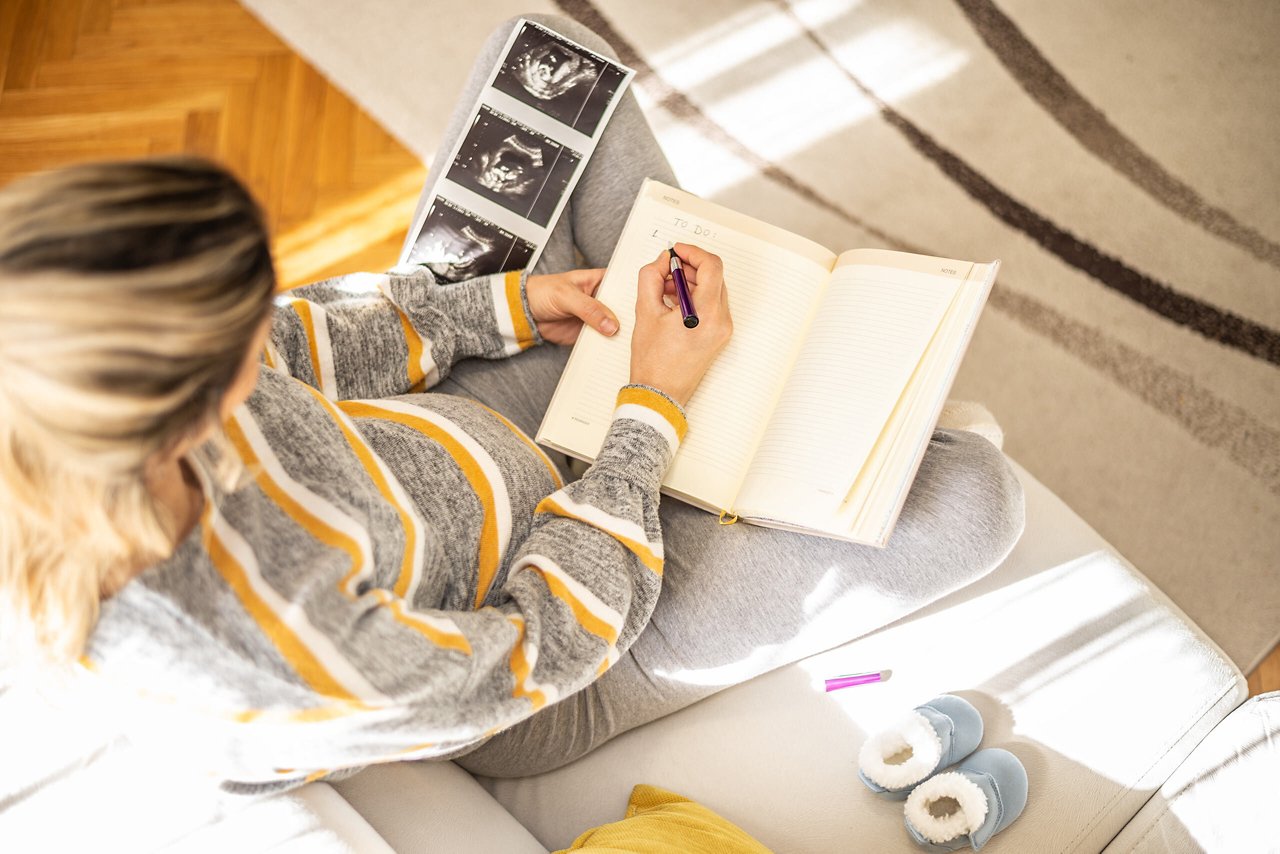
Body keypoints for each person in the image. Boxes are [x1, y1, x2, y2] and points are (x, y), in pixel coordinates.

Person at [0, 15, 1023, 796]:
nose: (258, 333)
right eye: (233, 344)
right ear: (170, 420)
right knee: (976, 500)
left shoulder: (58, 380)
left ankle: (761, 381)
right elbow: (542, 640)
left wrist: (502, 309)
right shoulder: (263, 655)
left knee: (557, 61)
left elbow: (302, 336)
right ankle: (766, 398)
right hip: (569, 634)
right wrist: (650, 412)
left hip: (464, 430)